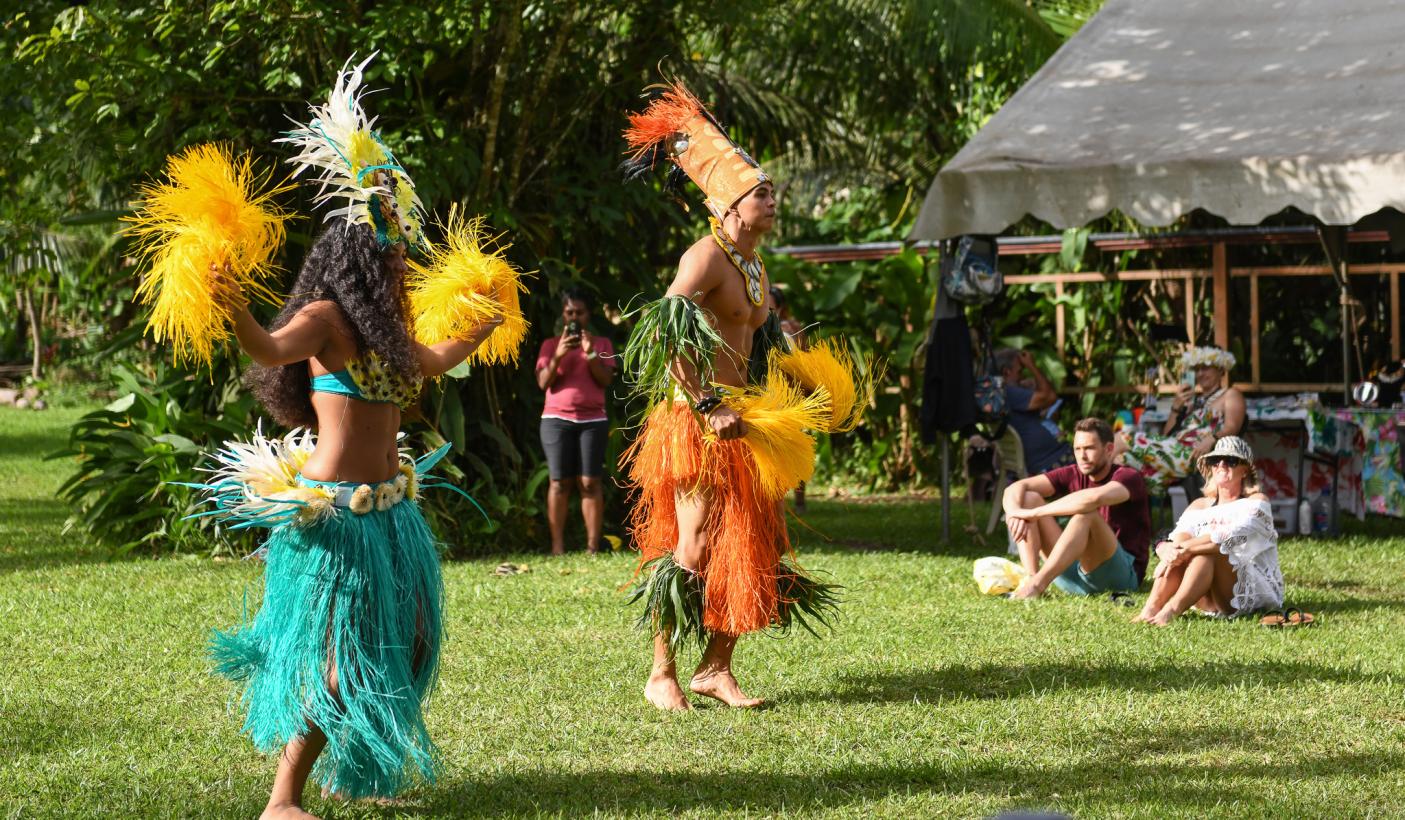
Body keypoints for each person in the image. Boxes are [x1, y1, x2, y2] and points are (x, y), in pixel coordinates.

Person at [131, 57, 522, 819]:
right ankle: (283, 799)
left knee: (407, 645)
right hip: (334, 518)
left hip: (391, 512)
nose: (403, 261)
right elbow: (268, 350)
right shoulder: (326, 323)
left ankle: (353, 770)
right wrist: (233, 304)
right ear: (359, 259)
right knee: (338, 667)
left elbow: (436, 361)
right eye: (393, 252)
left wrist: (483, 323)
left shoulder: (390, 331)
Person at [620, 80, 853, 711]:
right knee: (693, 547)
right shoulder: (705, 259)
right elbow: (667, 330)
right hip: (699, 420)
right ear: (728, 204)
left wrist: (801, 387)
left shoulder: (756, 268)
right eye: (760, 192)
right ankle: (661, 672)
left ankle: (715, 668)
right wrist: (705, 403)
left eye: (771, 191)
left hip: (745, 417)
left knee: (754, 542)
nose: (771, 201)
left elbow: (762, 342)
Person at [1134, 436, 1284, 625]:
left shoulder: (1257, 502)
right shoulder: (1200, 505)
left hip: (1242, 591)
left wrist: (1182, 549)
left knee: (1210, 552)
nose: (1221, 465)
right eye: (1215, 460)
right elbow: (1179, 537)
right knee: (1183, 553)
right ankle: (1151, 609)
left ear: (1244, 469)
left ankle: (1171, 610)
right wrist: (1166, 549)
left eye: (1230, 460)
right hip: (1204, 593)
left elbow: (1227, 539)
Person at [1002, 417, 1151, 599]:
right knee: (1028, 497)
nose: (1082, 456)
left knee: (1086, 514)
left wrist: (1034, 513)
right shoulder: (1073, 472)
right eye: (1078, 449)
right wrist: (1014, 513)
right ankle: (1031, 578)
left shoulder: (1128, 477)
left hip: (1120, 577)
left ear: (1109, 449)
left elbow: (1092, 499)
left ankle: (1036, 585)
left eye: (1089, 448)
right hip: (1074, 577)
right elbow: (1015, 488)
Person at [536, 287, 616, 555]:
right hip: (556, 420)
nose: (574, 317)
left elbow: (605, 380)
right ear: (563, 313)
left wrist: (590, 352)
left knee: (590, 483)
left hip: (593, 420)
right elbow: (543, 383)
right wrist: (558, 354)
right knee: (559, 482)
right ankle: (557, 547)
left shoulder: (602, 344)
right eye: (569, 312)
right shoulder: (550, 345)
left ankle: (592, 547)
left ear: (588, 315)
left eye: (579, 313)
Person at [1119, 345, 1246, 490]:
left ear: (1220, 369)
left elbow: (1232, 427)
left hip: (1192, 455)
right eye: (1197, 369)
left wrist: (1212, 438)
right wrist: (1176, 407)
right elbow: (1167, 435)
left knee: (1122, 438)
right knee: (1123, 463)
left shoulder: (1230, 394)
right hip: (1173, 452)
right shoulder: (1192, 401)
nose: (1200, 373)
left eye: (1205, 368)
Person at [992, 347, 1072, 474]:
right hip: (1051, 464)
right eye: (1019, 372)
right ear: (1006, 372)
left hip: (1049, 460)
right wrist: (1031, 366)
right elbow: (1050, 397)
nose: (1022, 376)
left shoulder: (998, 394)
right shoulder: (1009, 393)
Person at [768, 284, 809, 512]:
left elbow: (802, 362)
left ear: (781, 308)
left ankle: (799, 500)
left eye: (771, 307)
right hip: (769, 402)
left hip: (789, 399)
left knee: (796, 450)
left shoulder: (790, 331)